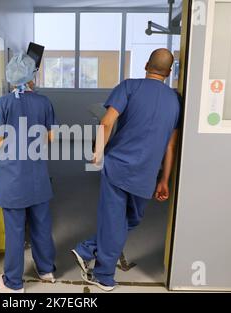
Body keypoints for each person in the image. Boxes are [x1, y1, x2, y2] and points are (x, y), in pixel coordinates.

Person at [71, 48, 181, 291]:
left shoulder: (130, 87)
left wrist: (97, 155)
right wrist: (165, 180)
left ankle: (86, 249)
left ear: (146, 65)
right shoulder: (175, 100)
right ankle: (104, 276)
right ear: (169, 72)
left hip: (117, 166)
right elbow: (171, 145)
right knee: (128, 220)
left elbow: (106, 121)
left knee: (118, 221)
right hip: (147, 174)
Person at [0, 53, 57, 293]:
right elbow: (50, 137)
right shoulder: (44, 102)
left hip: (14, 179)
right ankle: (46, 271)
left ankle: (14, 283)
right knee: (41, 225)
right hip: (37, 177)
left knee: (15, 231)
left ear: (11, 78)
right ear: (31, 76)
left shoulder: (2, 104)